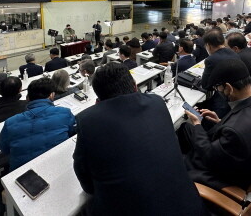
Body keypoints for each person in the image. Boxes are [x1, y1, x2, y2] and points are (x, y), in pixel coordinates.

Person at [72, 63, 207, 216]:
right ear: (135, 87)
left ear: (99, 99)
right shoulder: (157, 102)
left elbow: (86, 182)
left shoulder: (87, 120)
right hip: (191, 207)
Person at [178, 59, 251, 190]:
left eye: (219, 88)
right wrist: (220, 121)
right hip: (236, 154)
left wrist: (197, 123)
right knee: (186, 128)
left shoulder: (235, 133)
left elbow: (209, 157)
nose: (219, 91)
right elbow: (240, 125)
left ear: (229, 88)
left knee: (174, 159)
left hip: (221, 174)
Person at [0, 78, 75, 170]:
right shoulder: (65, 112)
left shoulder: (10, 123)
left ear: (27, 98)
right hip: (59, 165)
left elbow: (4, 149)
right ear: (52, 95)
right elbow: (71, 132)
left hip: (22, 173)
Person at [201, 29, 240, 118]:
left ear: (208, 45)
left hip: (224, 99)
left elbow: (205, 85)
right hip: (237, 95)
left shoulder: (211, 59)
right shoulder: (233, 53)